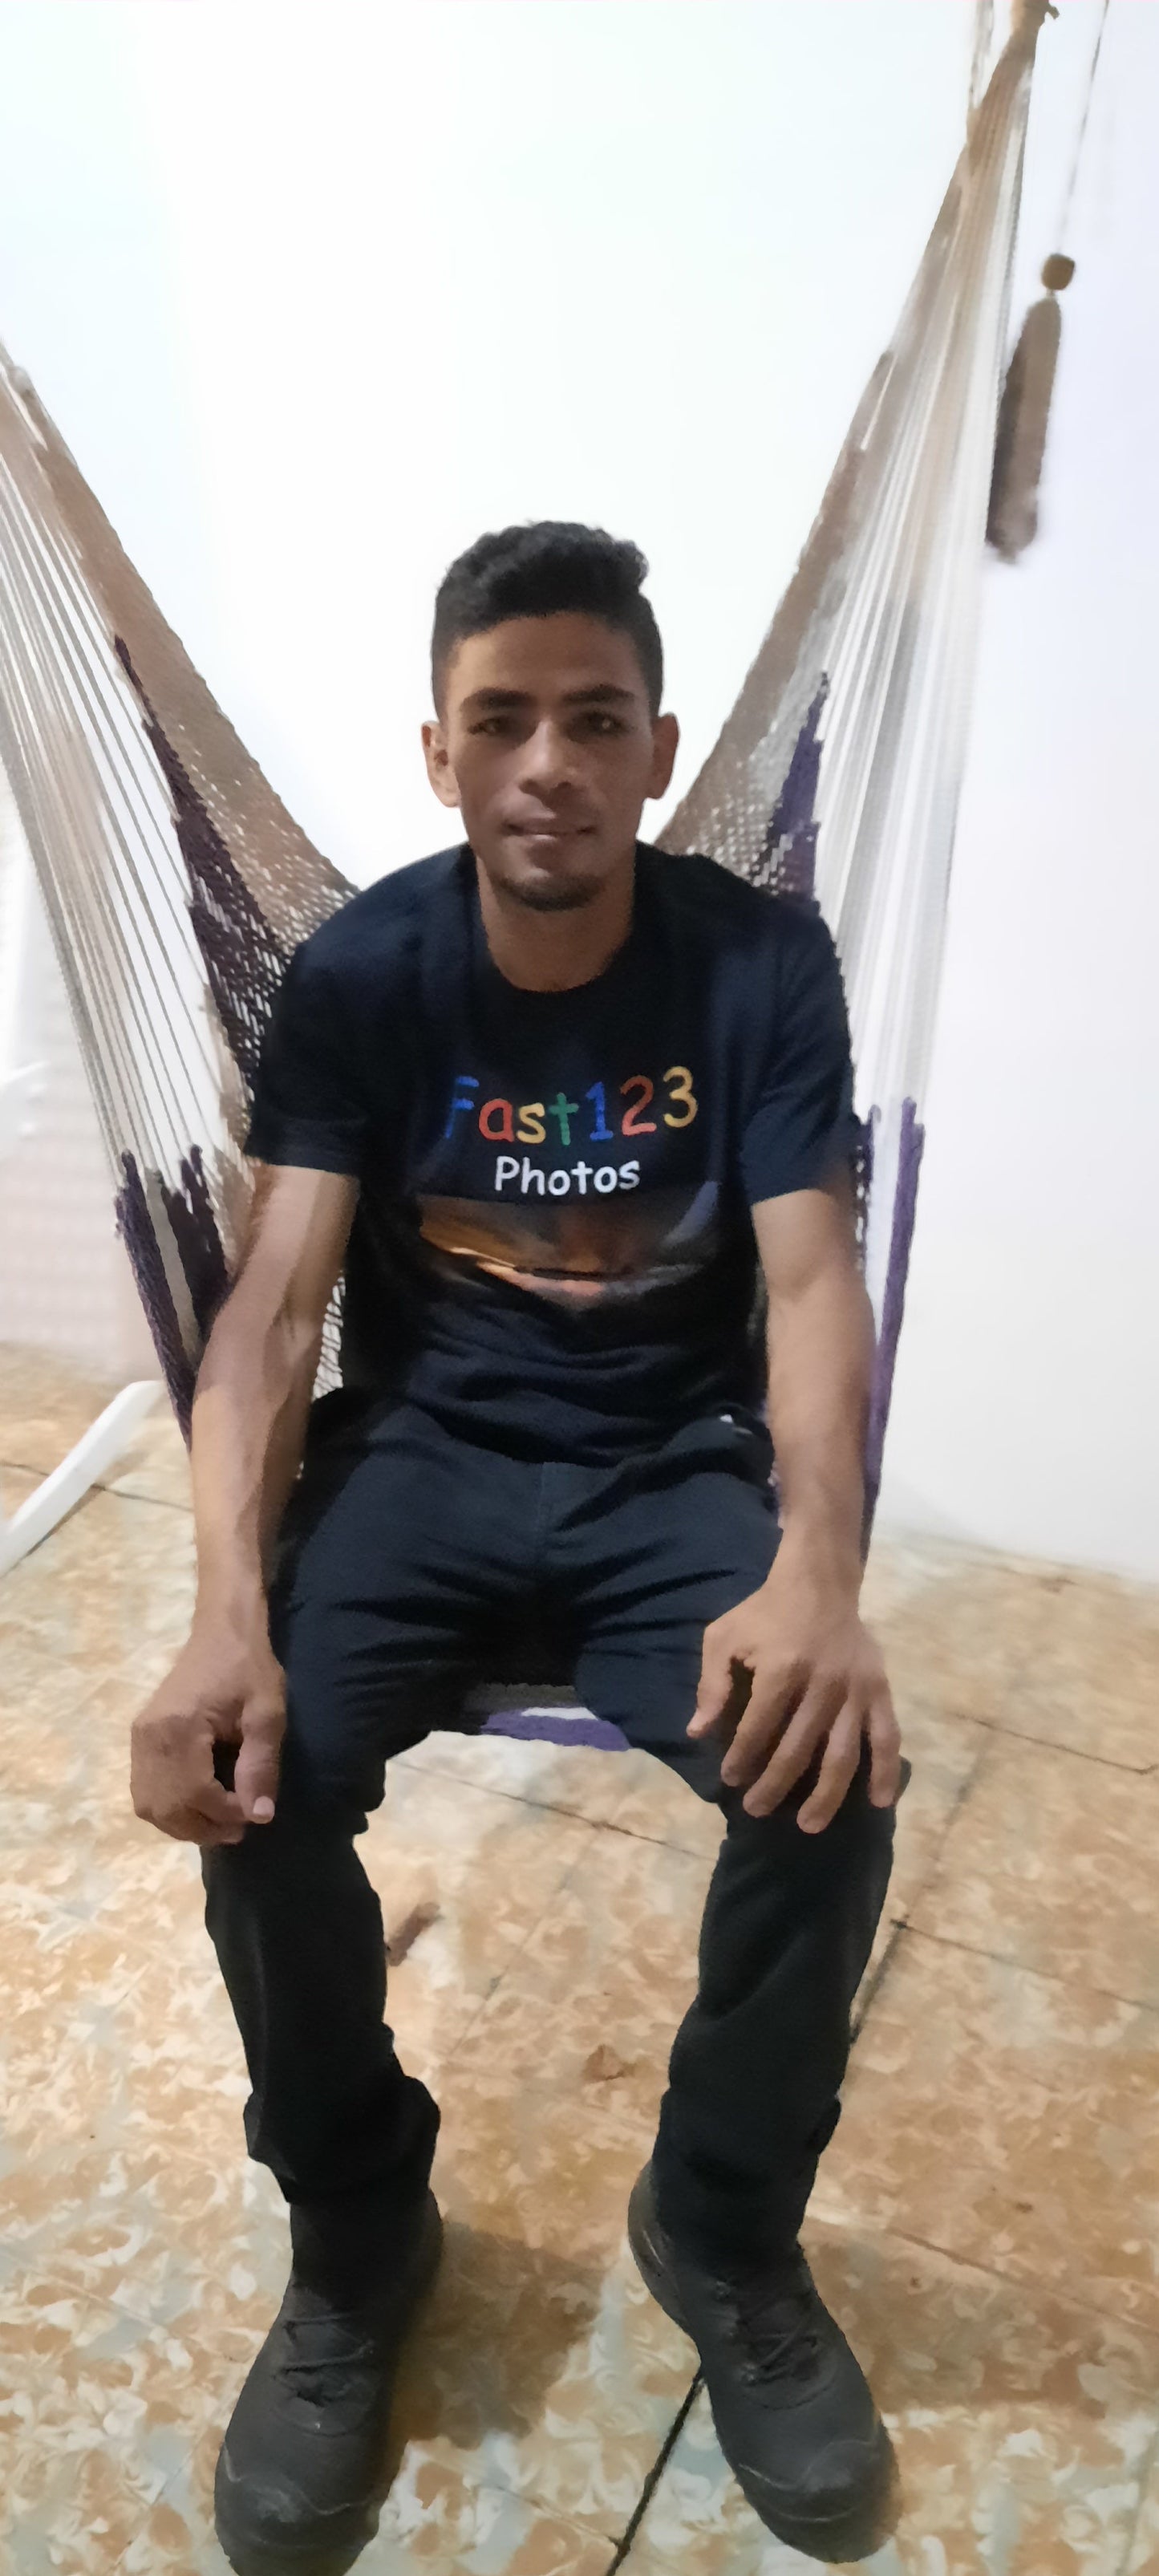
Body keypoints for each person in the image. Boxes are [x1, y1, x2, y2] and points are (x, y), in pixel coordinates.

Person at [131, 522, 904, 2574]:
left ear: (659, 749)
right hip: (428, 1459)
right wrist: (223, 1615)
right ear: (440, 752)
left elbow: (811, 1285)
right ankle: (357, 2230)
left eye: (592, 718)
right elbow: (272, 1308)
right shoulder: (364, 974)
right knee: (250, 1779)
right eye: (501, 720)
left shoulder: (759, 966)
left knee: (833, 1782)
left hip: (669, 1469)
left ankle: (721, 2229)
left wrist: (820, 1569)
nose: (547, 761)